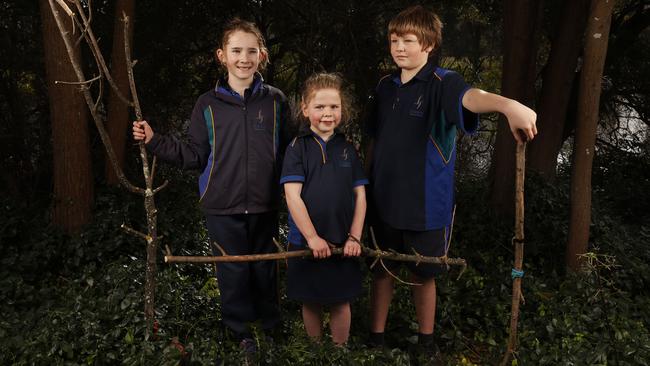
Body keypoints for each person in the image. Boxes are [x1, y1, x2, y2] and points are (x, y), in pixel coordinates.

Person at [365, 5, 537, 360]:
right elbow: (373, 139)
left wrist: (509, 106)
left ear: (428, 45)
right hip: (383, 199)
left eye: (408, 40)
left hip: (427, 204)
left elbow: (472, 97)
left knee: (422, 274)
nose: (399, 47)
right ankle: (376, 338)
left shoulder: (444, 82)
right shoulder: (385, 87)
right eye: (394, 40)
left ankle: (426, 342)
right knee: (382, 270)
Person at [132, 18, 291, 354]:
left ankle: (270, 324)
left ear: (262, 55)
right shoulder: (207, 104)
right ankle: (239, 330)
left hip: (265, 202)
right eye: (236, 50)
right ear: (222, 55)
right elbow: (193, 154)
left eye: (251, 51)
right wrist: (155, 140)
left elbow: (290, 150)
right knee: (232, 269)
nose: (243, 58)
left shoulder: (276, 101)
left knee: (265, 266)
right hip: (222, 203)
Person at [280, 73, 368, 345]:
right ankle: (316, 351)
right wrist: (311, 238)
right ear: (305, 109)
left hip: (343, 242)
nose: (327, 113)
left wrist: (354, 237)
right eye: (320, 107)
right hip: (306, 242)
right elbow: (292, 197)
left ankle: (338, 353)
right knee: (311, 299)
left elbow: (361, 197)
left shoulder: (348, 149)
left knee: (341, 302)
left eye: (334, 107)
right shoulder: (297, 148)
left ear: (343, 109)